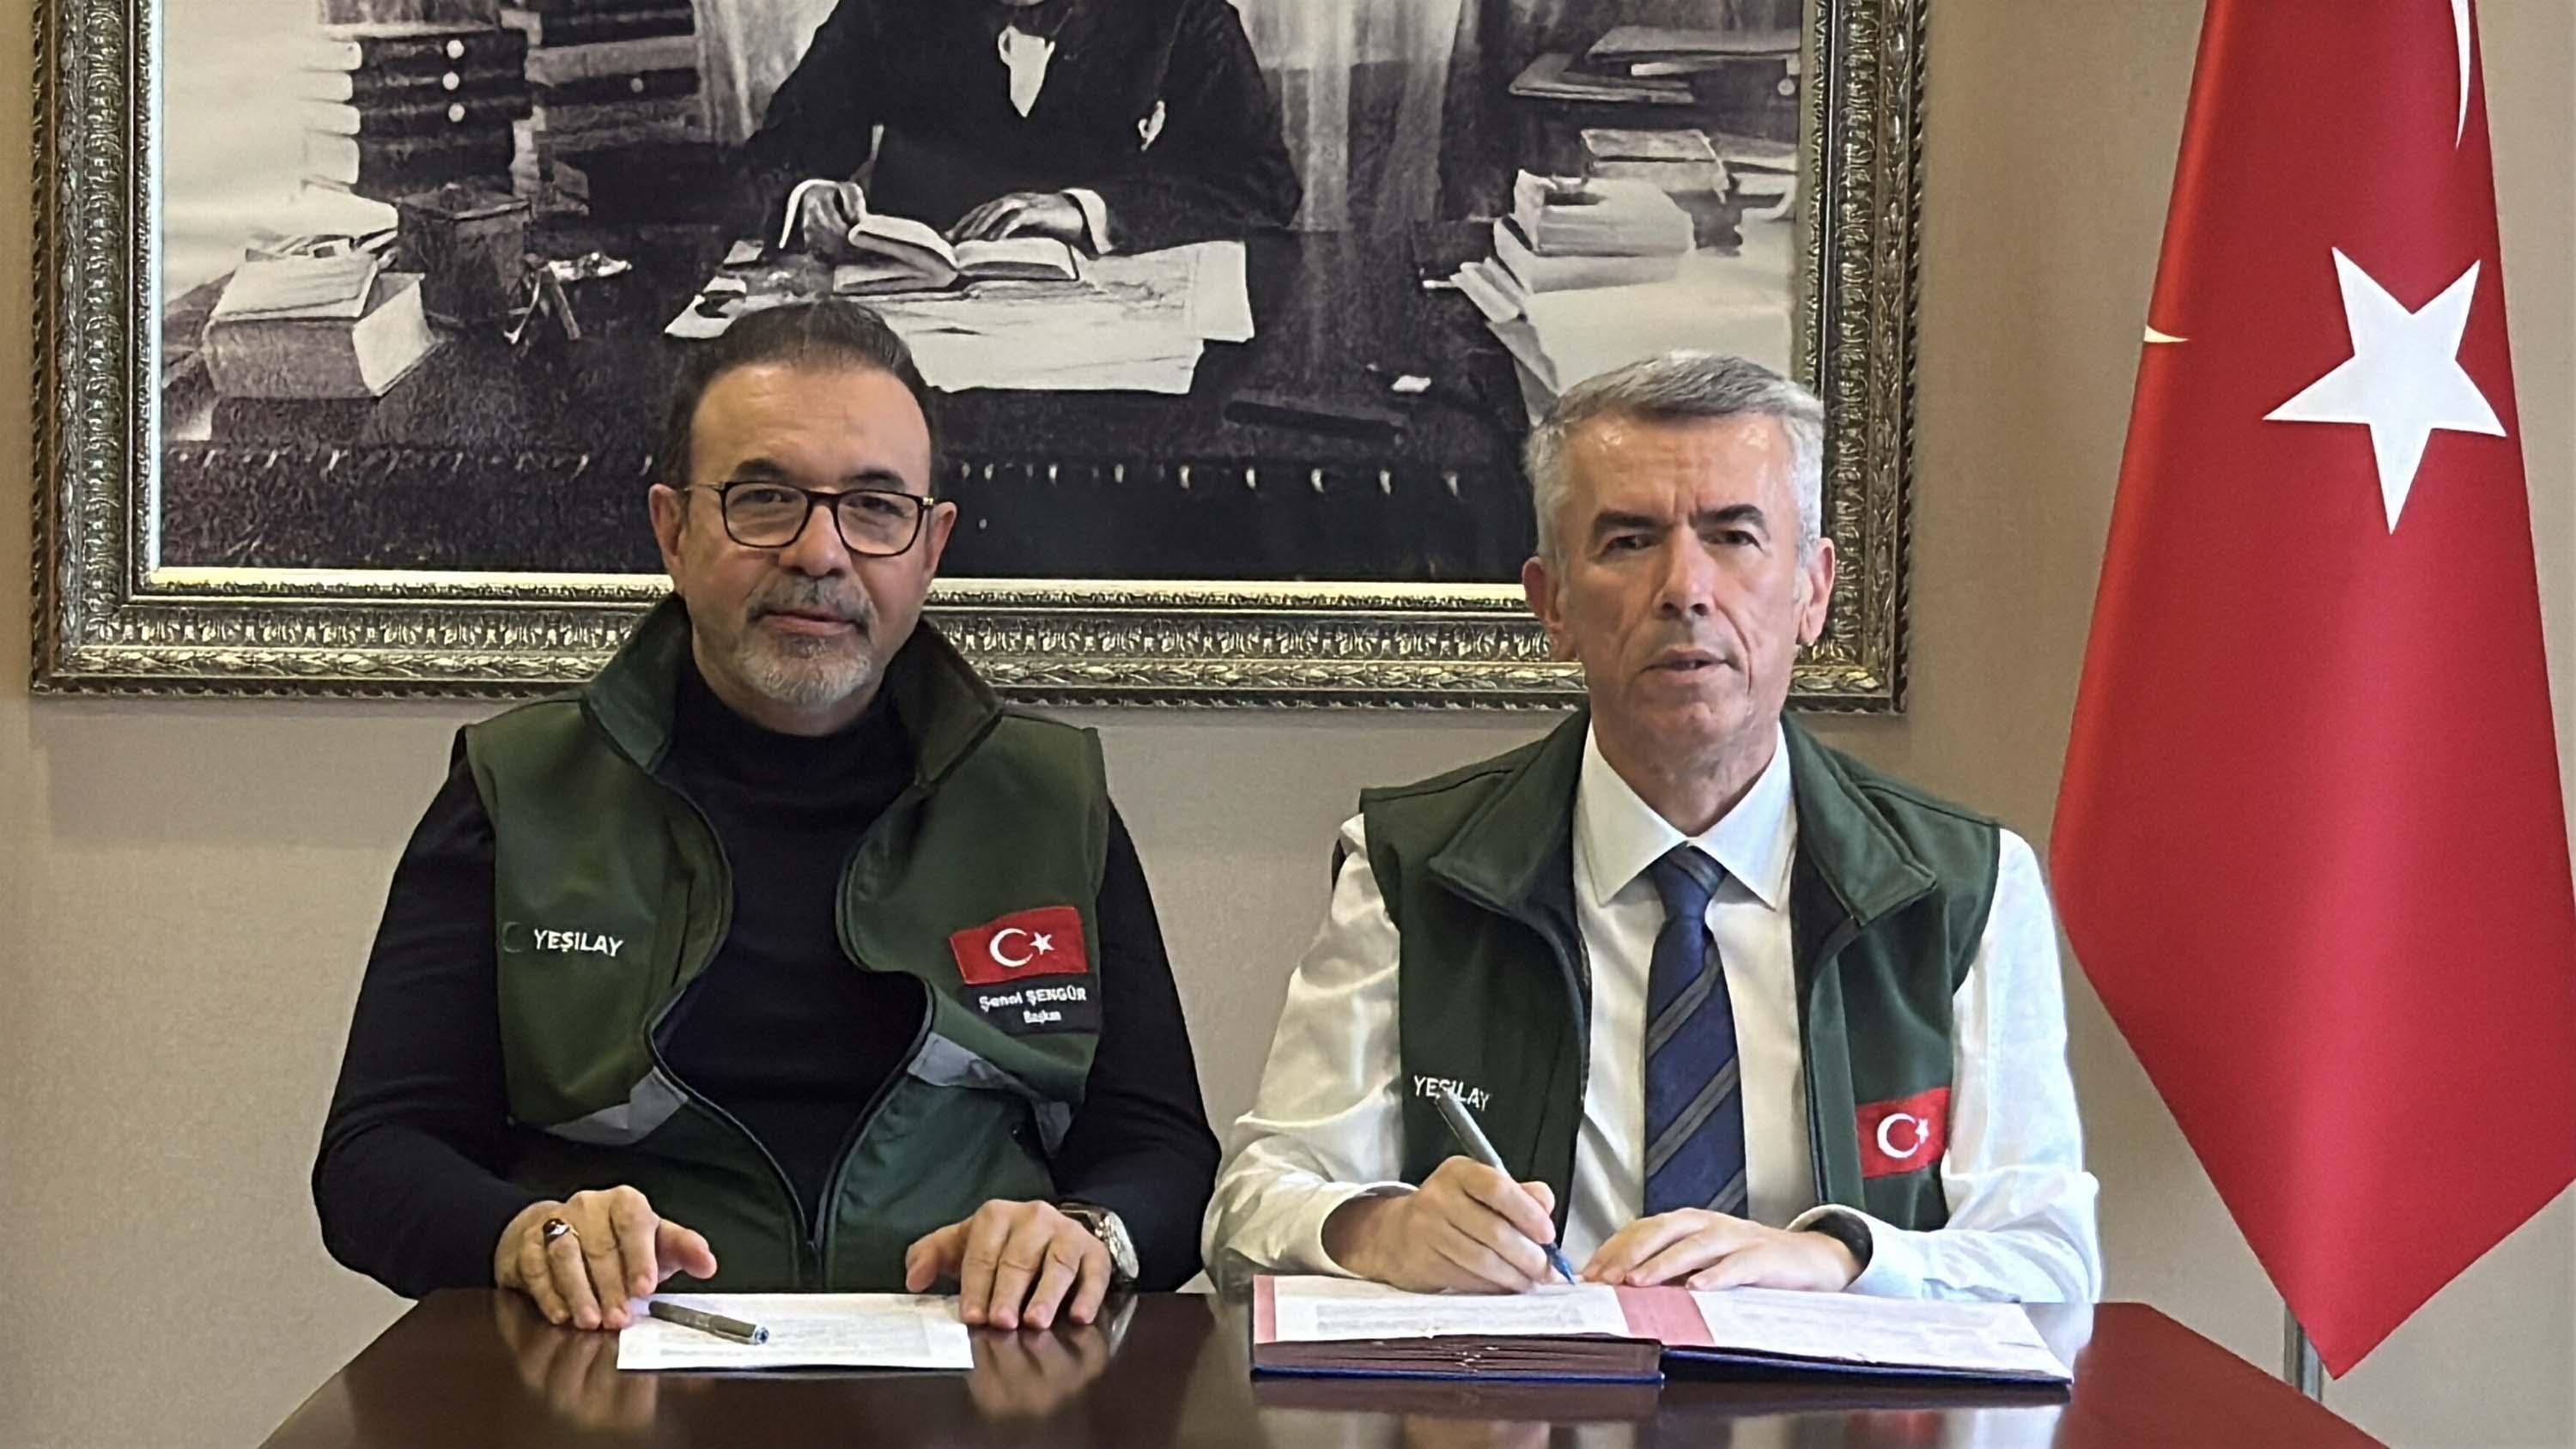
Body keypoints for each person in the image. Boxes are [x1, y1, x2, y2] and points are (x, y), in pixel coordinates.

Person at [315, 300, 1218, 1333]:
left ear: (930, 547)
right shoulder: (518, 788)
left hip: (978, 1372)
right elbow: (374, 1158)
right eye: (764, 499)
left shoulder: (1046, 795)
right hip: (614, 1371)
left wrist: (1090, 1231)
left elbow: (1165, 1152)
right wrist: (528, 1234)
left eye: (874, 507)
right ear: (674, 529)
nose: (820, 552)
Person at [1202, 353, 2101, 1300]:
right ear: (1552, 603)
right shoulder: (1413, 868)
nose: (1685, 587)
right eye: (1630, 541)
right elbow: (1248, 1209)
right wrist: (1379, 1229)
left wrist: (1839, 1257)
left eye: (1734, 536)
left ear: (1813, 591)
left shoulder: (1963, 884)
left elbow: (2051, 1259)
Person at [746, 0, 1302, 257]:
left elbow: (1262, 185)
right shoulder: (885, 11)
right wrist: (806, 198)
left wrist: (1088, 211)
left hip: (1114, 338)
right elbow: (775, 156)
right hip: (912, 325)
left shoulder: (1184, 14)